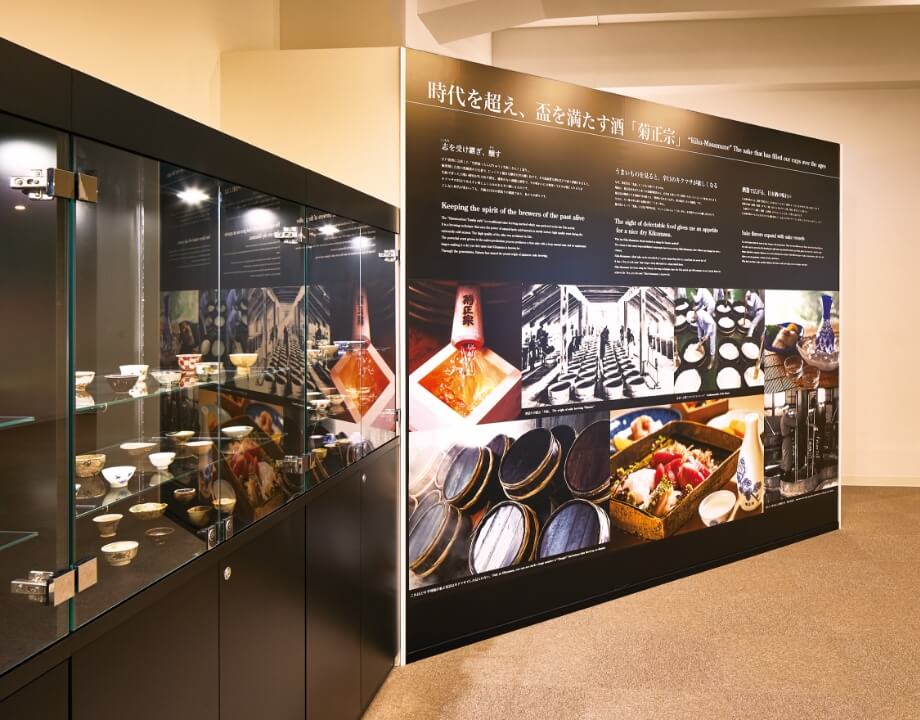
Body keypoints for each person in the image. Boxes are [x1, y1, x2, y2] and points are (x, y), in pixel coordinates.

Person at [693, 287, 717, 370]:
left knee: (712, 345)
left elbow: (711, 324)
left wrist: (707, 335)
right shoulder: (696, 317)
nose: (694, 320)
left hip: (712, 328)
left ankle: (712, 362)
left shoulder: (702, 315)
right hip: (706, 327)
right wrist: (700, 339)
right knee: (704, 338)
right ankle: (703, 347)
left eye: (694, 319)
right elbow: (699, 329)